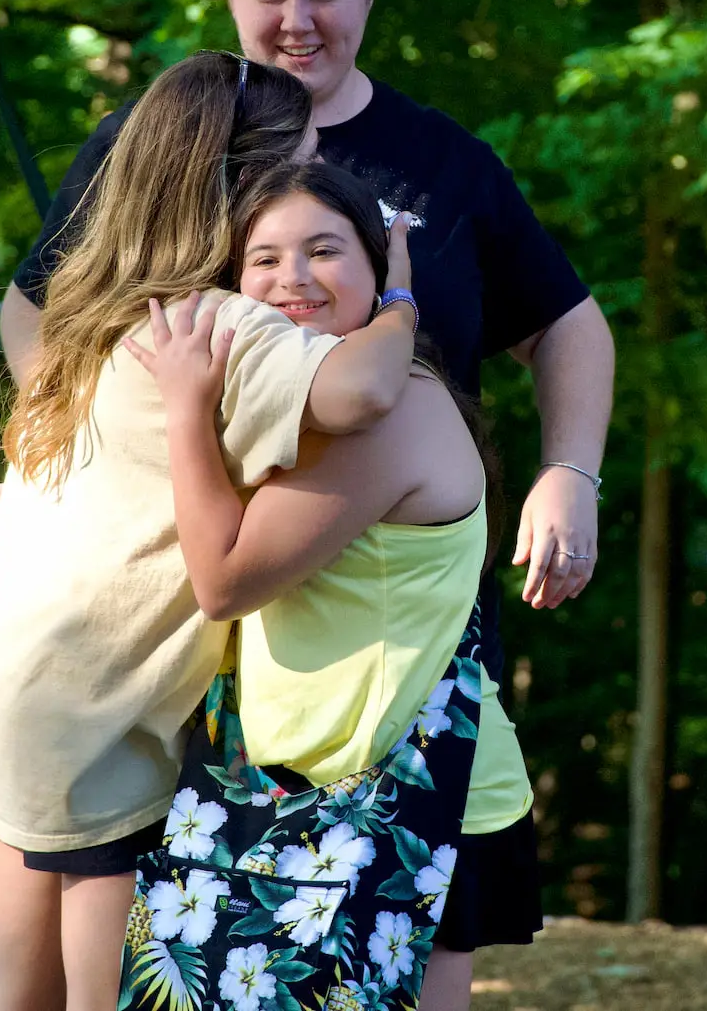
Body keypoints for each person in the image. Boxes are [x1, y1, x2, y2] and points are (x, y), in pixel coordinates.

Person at [0, 0, 614, 669]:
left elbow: (567, 323)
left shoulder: (446, 163)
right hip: (199, 625)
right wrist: (75, 468)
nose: (298, 20)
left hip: (406, 626)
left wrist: (569, 475)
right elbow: (37, 310)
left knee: (438, 806)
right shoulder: (158, 143)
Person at [0, 51, 420, 1011]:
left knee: (3, 989)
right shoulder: (215, 328)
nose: (306, 185)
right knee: (111, 996)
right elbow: (368, 391)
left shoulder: (95, 302)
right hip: (104, 719)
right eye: (293, 164)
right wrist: (400, 292)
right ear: (239, 186)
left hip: (18, 686)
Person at [126, 162, 539, 1011]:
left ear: (382, 267)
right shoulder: (331, 398)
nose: (293, 278)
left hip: (413, 792)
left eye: (324, 249)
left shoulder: (390, 412)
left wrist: (184, 406)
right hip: (323, 777)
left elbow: (225, 580)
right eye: (264, 259)